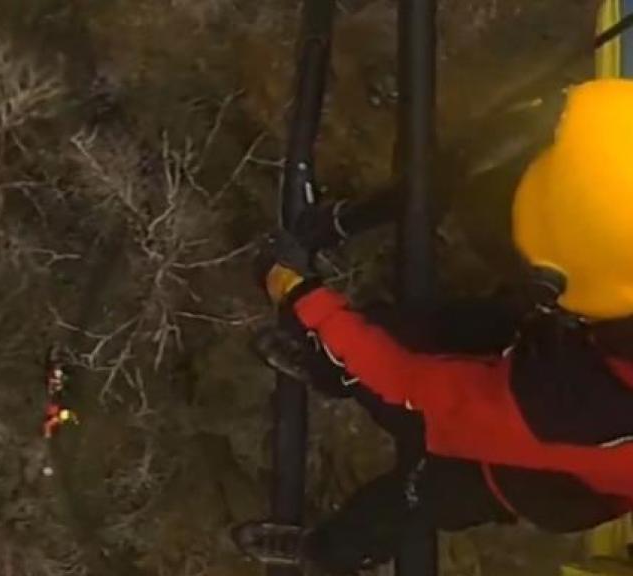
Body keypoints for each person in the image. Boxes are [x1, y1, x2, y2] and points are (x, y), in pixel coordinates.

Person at [247, 79, 633, 574]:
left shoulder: (572, 407)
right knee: (415, 329)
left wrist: (298, 294)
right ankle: (329, 367)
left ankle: (327, 551)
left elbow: (408, 380)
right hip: (562, 352)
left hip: (525, 469)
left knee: (409, 495)